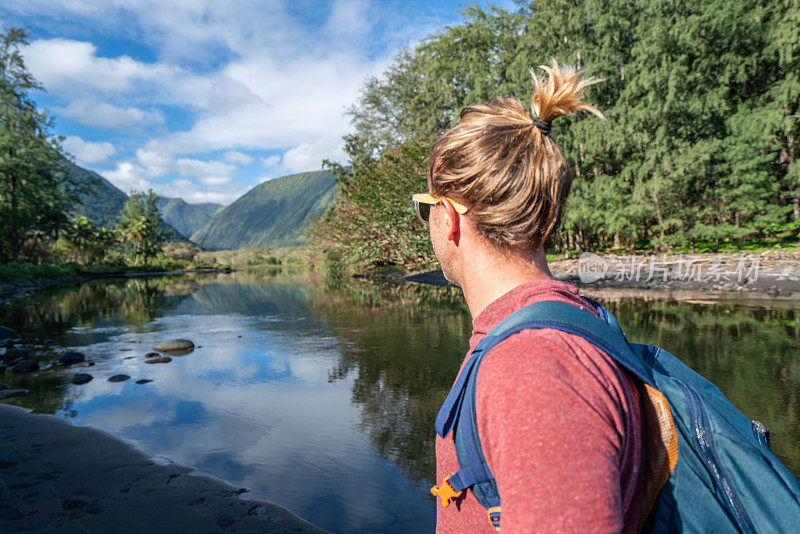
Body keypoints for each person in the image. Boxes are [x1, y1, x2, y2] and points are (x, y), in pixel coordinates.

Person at [413, 61, 645, 533]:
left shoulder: (533, 366)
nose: (427, 223)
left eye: (426, 209)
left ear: (451, 218)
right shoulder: (546, 335)